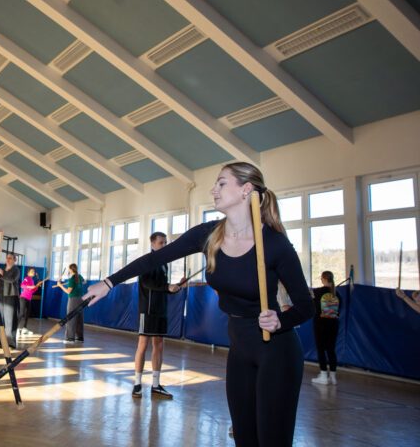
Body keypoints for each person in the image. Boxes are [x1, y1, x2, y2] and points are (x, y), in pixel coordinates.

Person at [84, 162, 314, 447]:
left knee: (272, 440)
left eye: (221, 184)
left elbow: (306, 305)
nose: (213, 190)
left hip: (276, 352)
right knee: (245, 438)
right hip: (240, 350)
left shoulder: (274, 244)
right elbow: (155, 258)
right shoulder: (209, 235)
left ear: (246, 190)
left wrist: (281, 321)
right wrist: (109, 282)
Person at [133, 232, 184, 400]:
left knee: (159, 344)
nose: (164, 245)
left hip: (161, 309)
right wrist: (167, 286)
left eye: (166, 242)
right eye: (161, 242)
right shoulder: (147, 261)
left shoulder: (164, 263)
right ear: (152, 243)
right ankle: (137, 384)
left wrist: (176, 286)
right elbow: (147, 283)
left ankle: (155, 385)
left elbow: (162, 288)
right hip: (147, 310)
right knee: (143, 344)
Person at [311, 270, 341, 385]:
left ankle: (323, 375)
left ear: (323, 279)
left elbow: (313, 306)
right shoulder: (337, 294)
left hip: (321, 325)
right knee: (331, 350)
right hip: (333, 325)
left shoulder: (318, 292)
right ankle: (333, 376)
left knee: (321, 349)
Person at [0, 252, 19, 348]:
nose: (8, 259)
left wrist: (1, 273)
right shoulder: (2, 268)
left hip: (10, 297)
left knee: (10, 321)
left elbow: (11, 279)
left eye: (10, 258)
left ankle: (10, 343)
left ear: (15, 260)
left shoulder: (16, 270)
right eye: (7, 258)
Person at [57, 263, 85, 344]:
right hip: (81, 299)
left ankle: (70, 338)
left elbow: (68, 291)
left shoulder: (72, 279)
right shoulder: (79, 276)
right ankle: (79, 338)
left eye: (69, 269)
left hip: (73, 300)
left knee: (70, 317)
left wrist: (60, 286)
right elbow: (84, 282)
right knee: (79, 318)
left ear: (70, 269)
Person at [17, 268, 43, 337]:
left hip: (29, 299)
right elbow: (22, 285)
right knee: (22, 313)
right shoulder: (27, 278)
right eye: (32, 271)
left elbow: (32, 291)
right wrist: (31, 286)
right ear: (28, 273)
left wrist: (36, 286)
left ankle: (24, 329)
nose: (33, 272)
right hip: (23, 298)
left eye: (34, 271)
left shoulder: (32, 280)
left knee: (27, 314)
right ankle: (15, 328)